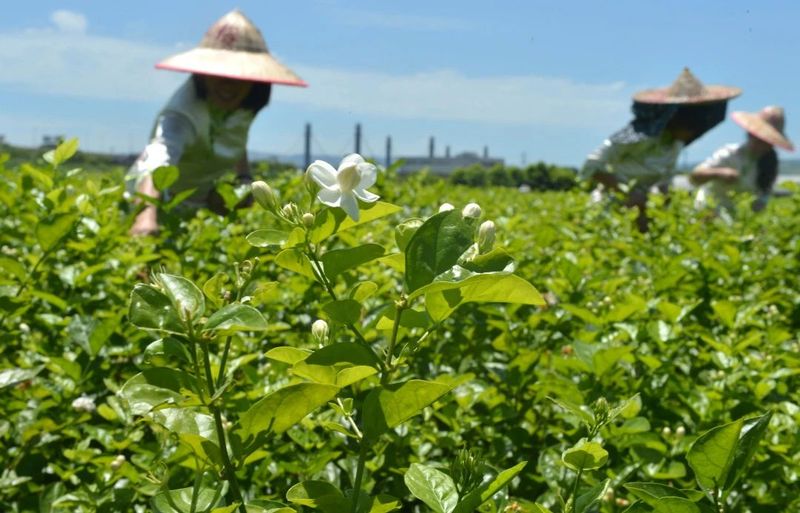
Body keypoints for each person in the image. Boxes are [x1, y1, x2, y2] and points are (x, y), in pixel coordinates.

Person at [127, 10, 306, 235]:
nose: (228, 85)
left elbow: (235, 137)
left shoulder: (243, 107)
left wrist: (244, 178)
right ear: (203, 74)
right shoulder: (180, 115)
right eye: (220, 73)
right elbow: (157, 162)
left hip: (198, 210)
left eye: (238, 76)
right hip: (153, 205)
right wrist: (145, 218)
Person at [581, 68, 740, 232]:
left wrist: (662, 198)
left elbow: (665, 181)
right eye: (691, 127)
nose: (693, 134)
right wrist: (626, 193)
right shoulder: (637, 136)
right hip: (608, 212)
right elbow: (591, 165)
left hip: (642, 216)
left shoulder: (674, 145)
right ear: (677, 119)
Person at [691, 106, 794, 215]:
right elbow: (694, 176)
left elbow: (764, 197)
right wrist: (719, 173)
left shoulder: (769, 165)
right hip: (708, 211)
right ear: (751, 134)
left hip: (737, 219)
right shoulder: (730, 153)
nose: (761, 142)